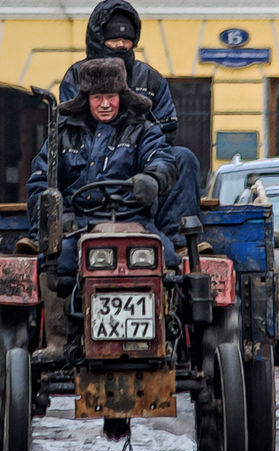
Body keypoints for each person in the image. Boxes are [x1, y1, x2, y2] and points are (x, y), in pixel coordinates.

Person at [24, 57, 179, 361]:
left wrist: (153, 178)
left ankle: (166, 334)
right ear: (86, 100)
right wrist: (59, 217)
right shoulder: (62, 134)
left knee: (169, 258)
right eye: (98, 97)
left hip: (134, 222)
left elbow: (163, 160)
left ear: (122, 97)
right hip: (78, 225)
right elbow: (39, 181)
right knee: (54, 259)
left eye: (111, 96)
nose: (105, 104)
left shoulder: (143, 130)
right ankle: (59, 340)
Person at [59, 0, 201, 250]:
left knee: (183, 158)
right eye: (114, 40)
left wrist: (137, 145)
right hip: (90, 159)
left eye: (127, 41)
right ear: (98, 39)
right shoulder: (76, 75)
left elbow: (168, 130)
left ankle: (178, 241)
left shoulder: (150, 78)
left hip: (142, 160)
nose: (121, 46)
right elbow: (70, 122)